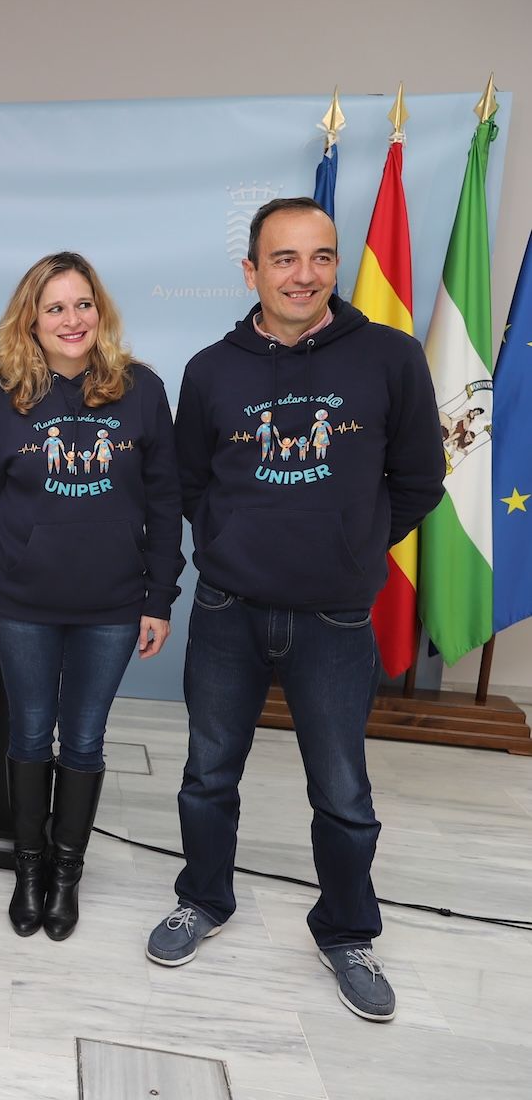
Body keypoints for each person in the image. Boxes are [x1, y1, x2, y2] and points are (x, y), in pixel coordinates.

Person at [144, 198, 445, 1023]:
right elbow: (190, 484)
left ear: (335, 265)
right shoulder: (211, 369)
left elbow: (419, 479)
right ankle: (203, 899)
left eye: (320, 257)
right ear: (252, 270)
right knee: (209, 774)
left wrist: (352, 546)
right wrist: (232, 540)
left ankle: (347, 930)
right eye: (284, 258)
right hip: (228, 608)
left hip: (336, 619)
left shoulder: (389, 358)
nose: (304, 274)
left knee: (343, 790)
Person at [0, 252, 183, 941]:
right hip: (22, 601)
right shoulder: (0, 397)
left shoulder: (141, 390)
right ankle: (28, 871)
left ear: (100, 311)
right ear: (31, 319)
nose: (72, 319)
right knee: (29, 733)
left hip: (113, 605)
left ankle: (66, 871)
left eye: (83, 304)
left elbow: (166, 500)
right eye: (55, 307)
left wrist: (159, 597)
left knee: (84, 738)